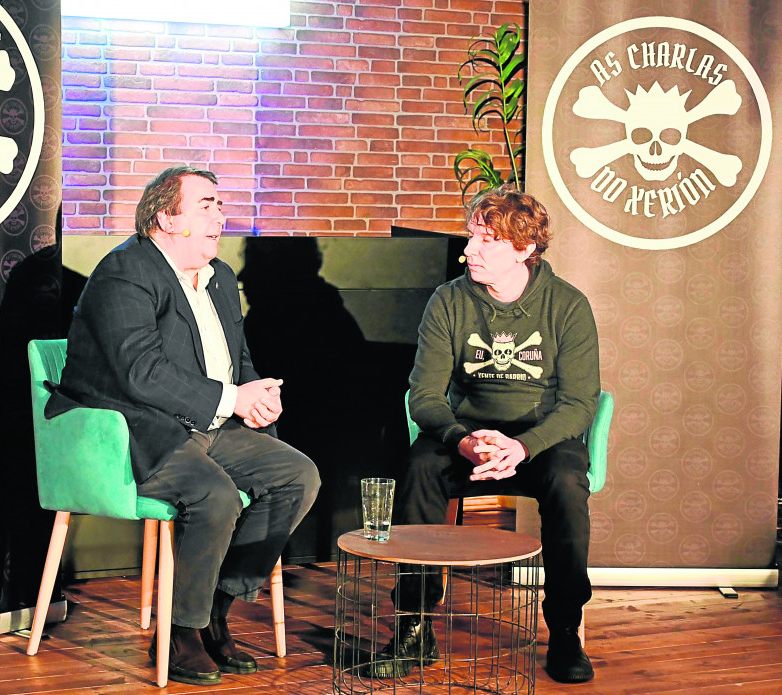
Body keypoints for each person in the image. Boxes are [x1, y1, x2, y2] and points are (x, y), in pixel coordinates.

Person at [45, 165, 320, 686]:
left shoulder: (220, 278)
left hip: (208, 424)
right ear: (167, 218)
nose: (221, 214)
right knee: (214, 495)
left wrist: (256, 395)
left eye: (220, 204)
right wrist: (231, 398)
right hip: (138, 428)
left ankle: (214, 607)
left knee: (297, 476)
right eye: (206, 205)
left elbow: (236, 361)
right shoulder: (125, 272)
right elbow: (140, 372)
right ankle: (177, 631)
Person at [372, 186, 600, 684]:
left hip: (539, 439)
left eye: (485, 241)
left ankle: (565, 628)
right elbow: (424, 396)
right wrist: (462, 440)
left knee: (566, 483)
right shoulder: (449, 300)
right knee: (419, 467)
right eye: (471, 237)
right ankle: (414, 626)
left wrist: (523, 447)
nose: (467, 250)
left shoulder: (567, 305)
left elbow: (581, 403)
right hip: (467, 432)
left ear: (524, 249)